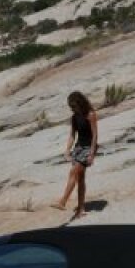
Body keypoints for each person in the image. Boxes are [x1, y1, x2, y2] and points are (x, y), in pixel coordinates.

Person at [52, 91, 98, 220]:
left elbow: (95, 136)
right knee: (80, 178)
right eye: (71, 107)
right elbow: (72, 135)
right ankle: (81, 209)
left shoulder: (91, 115)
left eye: (74, 106)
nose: (72, 109)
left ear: (80, 103)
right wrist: (67, 150)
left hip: (88, 148)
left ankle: (62, 201)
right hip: (78, 148)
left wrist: (92, 154)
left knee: (73, 171)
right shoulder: (74, 117)